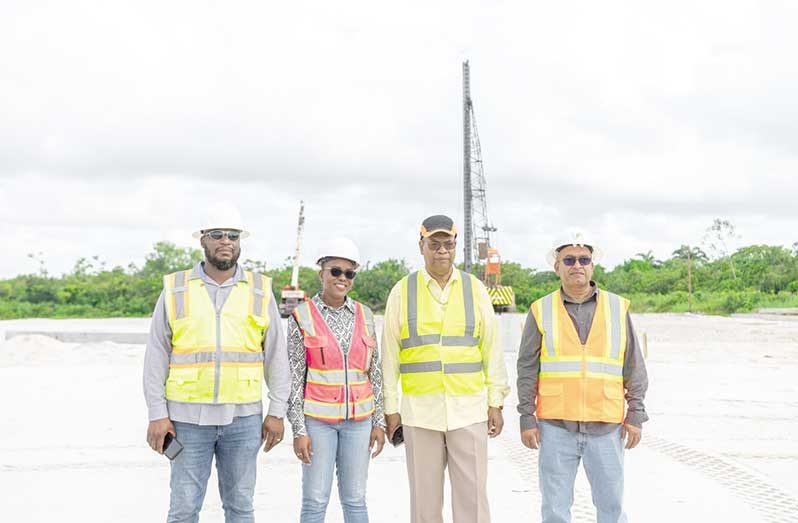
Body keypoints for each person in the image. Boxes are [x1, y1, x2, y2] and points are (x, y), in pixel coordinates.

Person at [143, 205, 290, 523]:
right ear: (203, 241)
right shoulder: (176, 289)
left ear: (240, 242)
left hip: (244, 420)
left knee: (240, 507)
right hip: (186, 421)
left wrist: (277, 412)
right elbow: (156, 355)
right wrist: (157, 415)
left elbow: (277, 356)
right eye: (217, 235)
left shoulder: (260, 290)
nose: (226, 241)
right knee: (183, 509)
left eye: (233, 236)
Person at [381, 215, 509, 523]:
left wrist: (496, 401)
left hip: (469, 411)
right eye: (434, 244)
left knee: (473, 501)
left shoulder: (474, 289)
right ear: (421, 246)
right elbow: (389, 357)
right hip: (419, 414)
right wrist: (390, 409)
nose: (441, 251)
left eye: (448, 244)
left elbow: (492, 349)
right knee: (425, 504)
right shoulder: (402, 291)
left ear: (455, 247)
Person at [516, 232, 649, 523]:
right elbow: (527, 368)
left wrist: (636, 413)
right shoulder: (540, 310)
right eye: (569, 259)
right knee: (554, 510)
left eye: (584, 259)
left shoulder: (617, 308)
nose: (577, 265)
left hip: (606, 426)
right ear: (557, 266)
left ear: (592, 266)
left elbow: (633, 366)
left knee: (611, 509)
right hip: (555, 428)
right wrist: (526, 416)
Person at [286, 236, 386, 523]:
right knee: (315, 500)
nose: (342, 278)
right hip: (318, 424)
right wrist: (299, 429)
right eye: (335, 271)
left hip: (360, 423)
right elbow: (294, 378)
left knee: (355, 499)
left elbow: (374, 371)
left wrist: (378, 422)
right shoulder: (301, 316)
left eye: (349, 273)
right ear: (322, 273)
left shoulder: (365, 315)